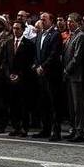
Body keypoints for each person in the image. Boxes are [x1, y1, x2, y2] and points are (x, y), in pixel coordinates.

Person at [32, 11, 64, 141]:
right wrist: (36, 64)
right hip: (40, 75)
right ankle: (45, 129)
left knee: (54, 104)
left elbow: (54, 54)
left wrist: (43, 66)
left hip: (51, 75)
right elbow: (36, 52)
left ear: (51, 21)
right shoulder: (39, 34)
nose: (42, 21)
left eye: (44, 19)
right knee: (43, 102)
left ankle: (56, 131)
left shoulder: (55, 35)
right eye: (41, 19)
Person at [61, 13, 84, 143]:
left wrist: (67, 69)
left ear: (78, 22)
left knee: (79, 106)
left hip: (76, 76)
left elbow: (77, 58)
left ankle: (80, 131)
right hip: (69, 76)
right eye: (68, 21)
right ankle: (73, 129)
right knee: (72, 106)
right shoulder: (71, 35)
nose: (68, 23)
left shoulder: (81, 36)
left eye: (71, 21)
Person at [7, 20, 37, 137]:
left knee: (23, 104)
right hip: (10, 79)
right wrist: (9, 74)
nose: (15, 30)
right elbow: (5, 61)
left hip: (23, 79)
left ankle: (24, 127)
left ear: (23, 30)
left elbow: (29, 63)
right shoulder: (8, 43)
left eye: (18, 28)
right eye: (14, 28)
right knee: (13, 104)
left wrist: (19, 75)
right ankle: (16, 127)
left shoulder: (29, 44)